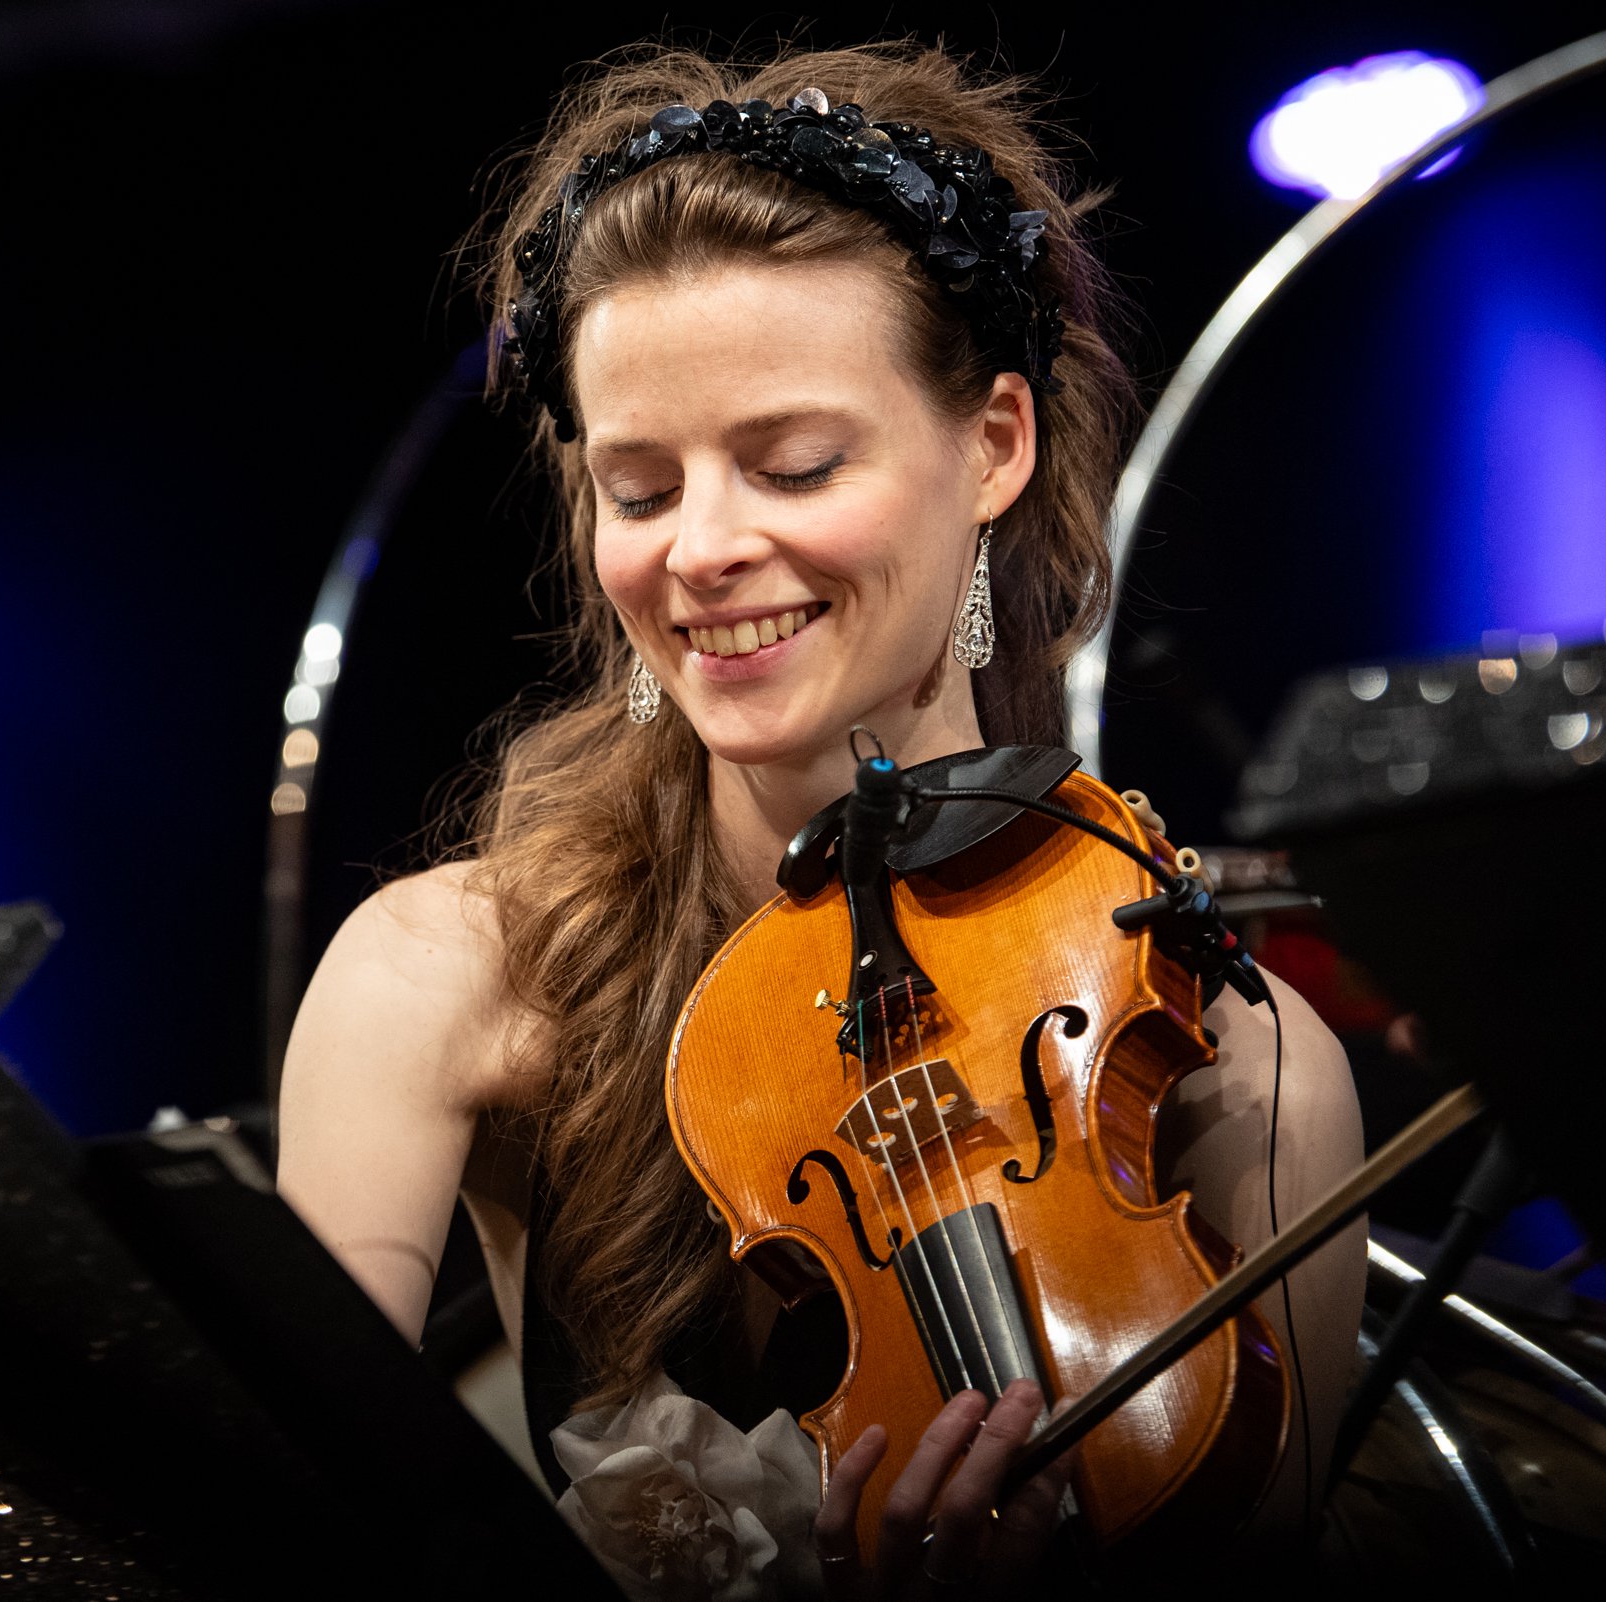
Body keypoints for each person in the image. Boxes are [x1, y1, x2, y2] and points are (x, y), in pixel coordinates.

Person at [276, 39, 1365, 1597]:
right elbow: (294, 1521)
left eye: (792, 464)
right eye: (639, 491)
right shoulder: (446, 974)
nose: (704, 548)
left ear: (994, 445)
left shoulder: (1232, 1061)